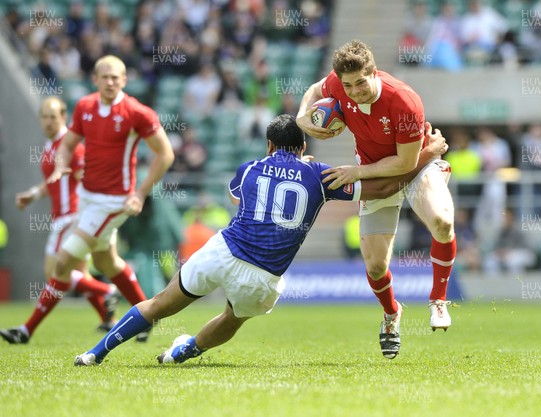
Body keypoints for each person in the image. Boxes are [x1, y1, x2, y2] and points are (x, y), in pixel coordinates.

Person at [73, 114, 447, 366]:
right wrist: (424, 156)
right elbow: (381, 187)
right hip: (264, 276)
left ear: (270, 145)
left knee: (157, 305)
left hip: (223, 251)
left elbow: (240, 197)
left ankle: (93, 355)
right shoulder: (320, 175)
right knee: (233, 318)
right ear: (302, 147)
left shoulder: (249, 167)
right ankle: (183, 352)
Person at [296, 40, 456, 359]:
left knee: (442, 221)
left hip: (417, 164)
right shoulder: (338, 85)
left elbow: (405, 164)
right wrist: (302, 119)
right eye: (348, 86)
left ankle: (438, 299)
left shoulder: (405, 102)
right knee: (375, 264)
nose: (354, 92)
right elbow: (315, 89)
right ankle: (391, 314)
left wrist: (356, 172)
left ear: (374, 72)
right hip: (374, 173)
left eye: (360, 83)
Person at [5, 56, 173, 346]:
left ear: (124, 80)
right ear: (94, 79)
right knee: (106, 261)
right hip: (87, 198)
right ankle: (147, 313)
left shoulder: (136, 112)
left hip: (114, 201)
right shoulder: (85, 107)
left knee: (62, 264)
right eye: (104, 76)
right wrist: (59, 167)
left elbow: (166, 154)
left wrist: (140, 193)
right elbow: (67, 145)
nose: (110, 82)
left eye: (116, 77)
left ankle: (26, 330)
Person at [0, 97, 118, 344]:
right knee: (78, 273)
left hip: (70, 217)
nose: (48, 121)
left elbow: (85, 175)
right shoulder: (51, 145)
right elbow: (55, 180)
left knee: (54, 274)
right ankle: (109, 320)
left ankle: (105, 290)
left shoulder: (70, 145)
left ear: (64, 117)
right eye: (44, 116)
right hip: (65, 217)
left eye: (53, 116)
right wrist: (33, 194)